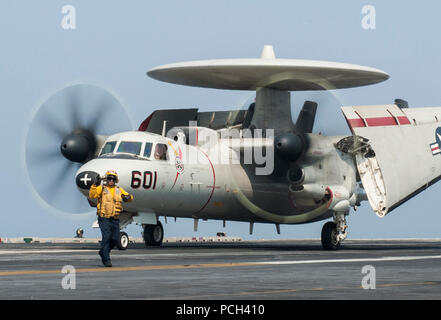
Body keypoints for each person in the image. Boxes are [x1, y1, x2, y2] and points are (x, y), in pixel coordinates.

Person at [89, 170, 133, 267]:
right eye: (109, 178)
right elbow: (92, 195)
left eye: (113, 179)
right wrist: (94, 185)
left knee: (115, 239)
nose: (111, 180)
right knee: (106, 237)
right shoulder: (102, 188)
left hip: (115, 219)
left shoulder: (119, 189)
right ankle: (106, 259)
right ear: (106, 179)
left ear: (115, 180)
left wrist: (128, 197)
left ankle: (103, 252)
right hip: (104, 218)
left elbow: (129, 197)